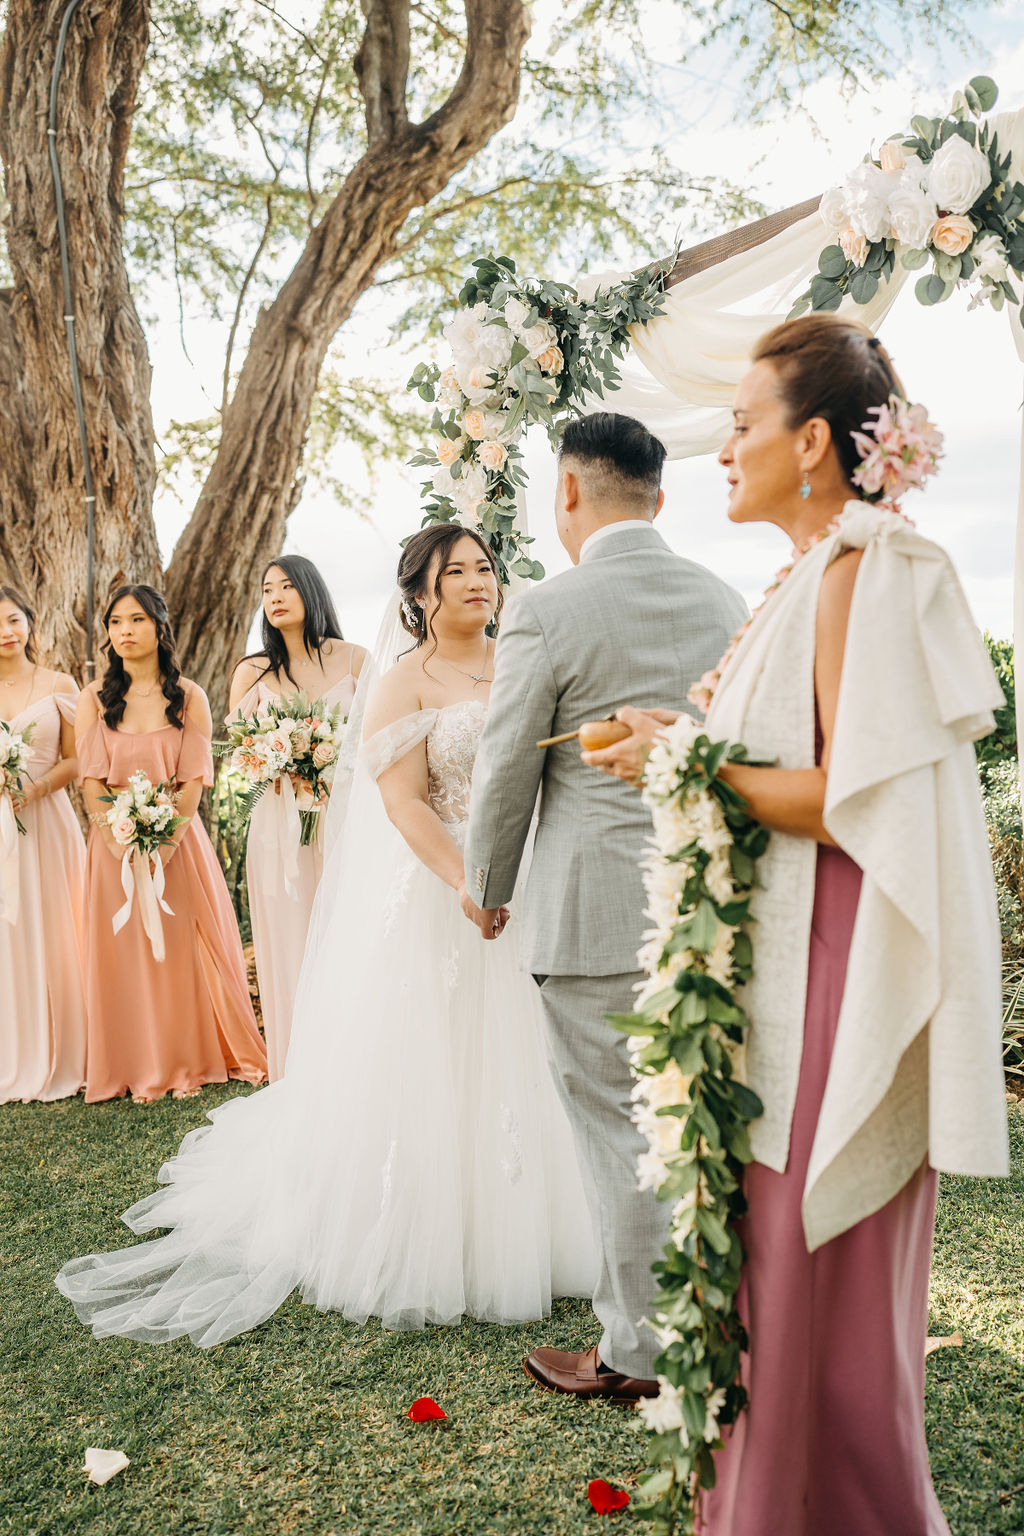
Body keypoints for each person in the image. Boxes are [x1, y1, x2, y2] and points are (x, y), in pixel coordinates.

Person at [584, 316, 1009, 1534]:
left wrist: (683, 765)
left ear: (811, 441)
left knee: (807, 1285)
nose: (719, 450)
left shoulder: (865, 569)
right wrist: (676, 750)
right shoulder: (806, 573)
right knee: (762, 1281)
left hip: (828, 977)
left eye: (738, 425)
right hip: (772, 962)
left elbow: (845, 801)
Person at [56, 528, 594, 1344]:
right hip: (442, 887)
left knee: (535, 1048)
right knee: (438, 1052)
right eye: (457, 572)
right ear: (419, 593)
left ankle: (551, 1214)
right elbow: (407, 802)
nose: (478, 582)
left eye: (486, 568)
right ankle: (433, 1219)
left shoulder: (526, 657)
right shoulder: (403, 683)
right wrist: (468, 880)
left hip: (534, 881)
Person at [463, 411, 748, 1401]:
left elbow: (505, 767)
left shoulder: (548, 607)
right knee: (696, 1125)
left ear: (569, 491)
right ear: (659, 498)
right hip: (709, 913)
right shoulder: (725, 596)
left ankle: (634, 1352)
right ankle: (720, 1319)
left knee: (618, 1133)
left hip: (590, 917)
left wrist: (487, 886)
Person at [76, 584, 268, 1103]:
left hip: (177, 844)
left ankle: (185, 1059)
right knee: (124, 954)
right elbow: (91, 782)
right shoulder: (93, 698)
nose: (125, 632)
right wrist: (118, 840)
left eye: (136, 620)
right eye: (116, 622)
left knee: (180, 952)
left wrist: (163, 842)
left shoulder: (190, 696)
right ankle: (131, 1064)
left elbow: (192, 780)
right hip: (111, 846)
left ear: (159, 627)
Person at [229, 556, 367, 1079]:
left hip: (344, 815)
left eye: (287, 585)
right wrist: (280, 760)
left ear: (312, 590)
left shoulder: (355, 660)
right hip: (278, 823)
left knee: (345, 928)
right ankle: (300, 1067)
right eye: (268, 589)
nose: (277, 596)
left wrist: (327, 761)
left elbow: (376, 738)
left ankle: (354, 1060)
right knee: (291, 934)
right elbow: (238, 751)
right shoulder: (253, 671)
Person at [0, 586, 86, 1102]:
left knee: (58, 928)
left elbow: (77, 761)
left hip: (48, 821)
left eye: (13, 619)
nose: (5, 631)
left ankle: (67, 1048)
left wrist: (33, 789)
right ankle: (14, 1048)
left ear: (30, 621)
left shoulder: (58, 683)